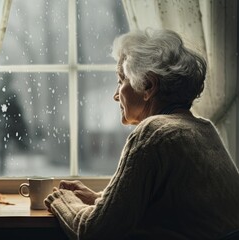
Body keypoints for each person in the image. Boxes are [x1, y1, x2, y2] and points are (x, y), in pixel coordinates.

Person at [44, 28, 239, 240]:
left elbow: (93, 232)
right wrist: (100, 200)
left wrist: (62, 200)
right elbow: (172, 209)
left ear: (148, 85)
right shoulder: (203, 130)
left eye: (121, 80)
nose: (115, 95)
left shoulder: (154, 132)